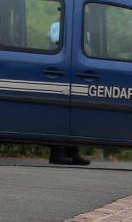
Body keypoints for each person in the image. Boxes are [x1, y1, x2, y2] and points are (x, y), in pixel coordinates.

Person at [45, 19, 90, 166]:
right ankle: (58, 153)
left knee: (72, 114)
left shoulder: (77, 26)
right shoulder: (58, 26)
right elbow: (57, 41)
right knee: (59, 114)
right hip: (59, 70)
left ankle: (72, 152)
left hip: (69, 71)